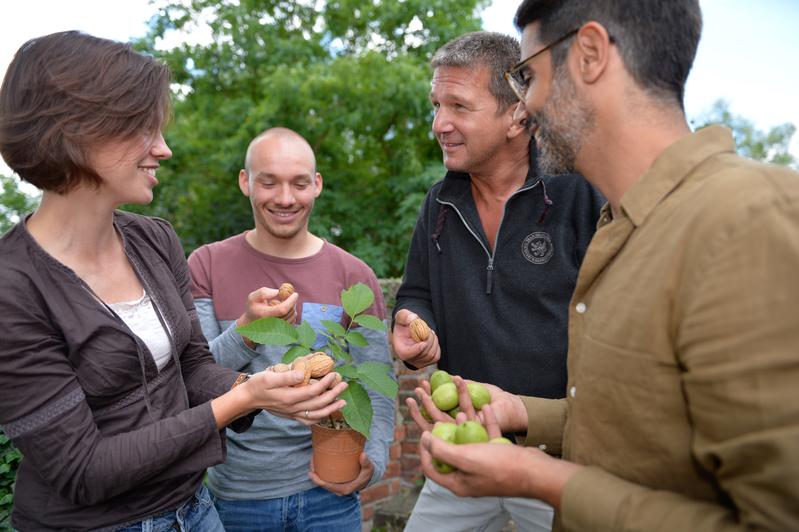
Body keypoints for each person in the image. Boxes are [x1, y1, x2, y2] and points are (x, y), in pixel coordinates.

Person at [418, 1, 799, 530]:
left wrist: (539, 479)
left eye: (526, 76)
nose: (524, 103)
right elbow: (636, 424)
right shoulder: (619, 226)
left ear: (591, 55)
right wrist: (522, 412)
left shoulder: (749, 219)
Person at [0, 32, 347, 531]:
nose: (162, 149)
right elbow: (82, 470)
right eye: (143, 128)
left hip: (194, 511)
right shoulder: (14, 286)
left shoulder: (152, 239)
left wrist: (259, 387)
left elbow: (191, 367)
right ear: (77, 130)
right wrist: (243, 400)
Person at [390, 32, 604, 532]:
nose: (439, 124)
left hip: (560, 456)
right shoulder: (439, 203)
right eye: (436, 104)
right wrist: (411, 322)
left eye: (459, 106)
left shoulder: (580, 195)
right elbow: (417, 292)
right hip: (464, 442)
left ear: (518, 116)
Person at [187, 127, 395, 531]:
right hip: (237, 500)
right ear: (246, 182)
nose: (285, 198)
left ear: (316, 185)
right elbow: (196, 378)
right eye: (269, 182)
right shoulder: (206, 266)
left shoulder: (355, 276)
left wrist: (375, 463)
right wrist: (248, 330)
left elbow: (379, 384)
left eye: (299, 183)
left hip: (330, 497)